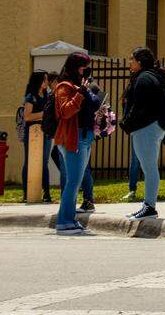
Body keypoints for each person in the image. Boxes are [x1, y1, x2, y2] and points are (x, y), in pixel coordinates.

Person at [120, 46, 165, 220]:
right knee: (150, 166)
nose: (130, 62)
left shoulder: (143, 79)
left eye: (132, 59)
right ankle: (148, 205)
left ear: (139, 62)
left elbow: (138, 106)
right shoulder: (152, 76)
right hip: (153, 127)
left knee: (149, 167)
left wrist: (127, 123)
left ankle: (150, 207)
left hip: (146, 128)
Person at [53, 51, 94, 235]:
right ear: (75, 66)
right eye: (83, 65)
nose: (86, 69)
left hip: (84, 136)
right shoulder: (64, 86)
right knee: (73, 181)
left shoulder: (80, 85)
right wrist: (80, 94)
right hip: (72, 138)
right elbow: (65, 112)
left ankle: (69, 219)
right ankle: (64, 221)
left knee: (75, 181)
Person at [21, 71, 51, 203]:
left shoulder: (46, 95)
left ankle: (47, 193)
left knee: (44, 162)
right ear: (38, 81)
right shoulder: (30, 97)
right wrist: (44, 114)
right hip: (33, 133)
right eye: (44, 79)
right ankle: (27, 193)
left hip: (46, 132)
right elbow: (27, 117)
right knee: (30, 161)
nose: (47, 82)